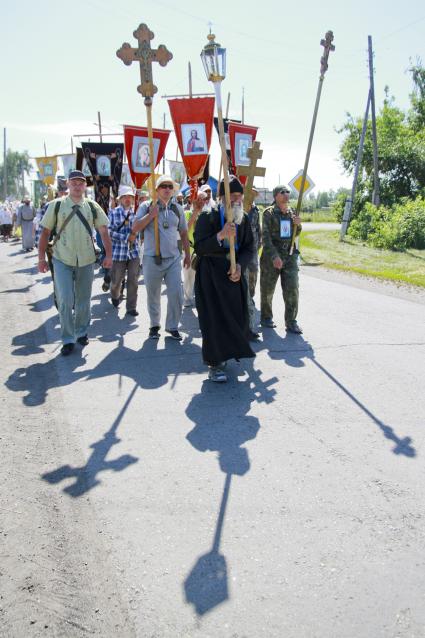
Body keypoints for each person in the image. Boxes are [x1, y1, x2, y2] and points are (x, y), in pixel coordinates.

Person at [38, 170, 112, 356]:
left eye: (81, 182)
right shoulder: (56, 206)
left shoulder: (93, 206)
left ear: (85, 185)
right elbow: (46, 233)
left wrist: (108, 255)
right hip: (62, 258)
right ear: (68, 185)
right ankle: (67, 338)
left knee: (83, 300)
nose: (77, 186)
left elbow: (103, 232)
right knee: (65, 299)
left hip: (86, 259)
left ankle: (81, 332)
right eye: (74, 182)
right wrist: (40, 258)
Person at [194, 175, 255, 382]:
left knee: (236, 316)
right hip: (210, 275)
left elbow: (249, 248)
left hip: (233, 275)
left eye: (239, 196)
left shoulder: (243, 218)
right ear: (222, 198)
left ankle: (229, 353)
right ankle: (215, 364)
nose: (236, 200)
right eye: (232, 195)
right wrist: (220, 235)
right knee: (214, 320)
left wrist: (240, 265)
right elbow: (200, 247)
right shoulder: (207, 216)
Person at [130, 175, 191, 341]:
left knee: (176, 294)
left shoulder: (177, 208)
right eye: (163, 186)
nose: (167, 189)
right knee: (153, 294)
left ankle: (172, 326)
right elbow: (135, 228)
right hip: (152, 258)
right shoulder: (146, 206)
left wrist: (187, 255)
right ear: (156, 190)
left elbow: (184, 233)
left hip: (173, 260)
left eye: (170, 186)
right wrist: (150, 216)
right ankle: (154, 325)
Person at [260, 184, 302, 334]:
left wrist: (298, 224)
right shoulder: (269, 213)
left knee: (292, 288)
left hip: (289, 255)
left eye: (287, 192)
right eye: (282, 192)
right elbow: (265, 237)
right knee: (267, 289)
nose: (286, 194)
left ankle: (291, 321)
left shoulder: (292, 212)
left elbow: (296, 233)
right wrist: (274, 256)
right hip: (272, 256)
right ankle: (266, 317)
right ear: (276, 196)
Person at [108, 185, 140, 316]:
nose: (127, 199)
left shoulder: (137, 213)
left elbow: (140, 231)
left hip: (134, 252)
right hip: (118, 252)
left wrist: (134, 236)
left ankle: (131, 307)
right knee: (116, 281)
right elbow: (109, 232)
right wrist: (126, 237)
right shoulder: (113, 213)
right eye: (125, 197)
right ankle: (115, 295)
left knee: (133, 280)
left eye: (130, 197)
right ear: (120, 199)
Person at [183, 190, 208, 307]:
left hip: (203, 251)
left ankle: (201, 299)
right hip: (190, 250)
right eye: (199, 199)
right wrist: (195, 213)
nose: (201, 202)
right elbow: (185, 230)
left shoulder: (208, 214)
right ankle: (187, 297)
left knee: (202, 276)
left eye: (204, 199)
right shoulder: (187, 213)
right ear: (193, 200)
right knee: (188, 276)